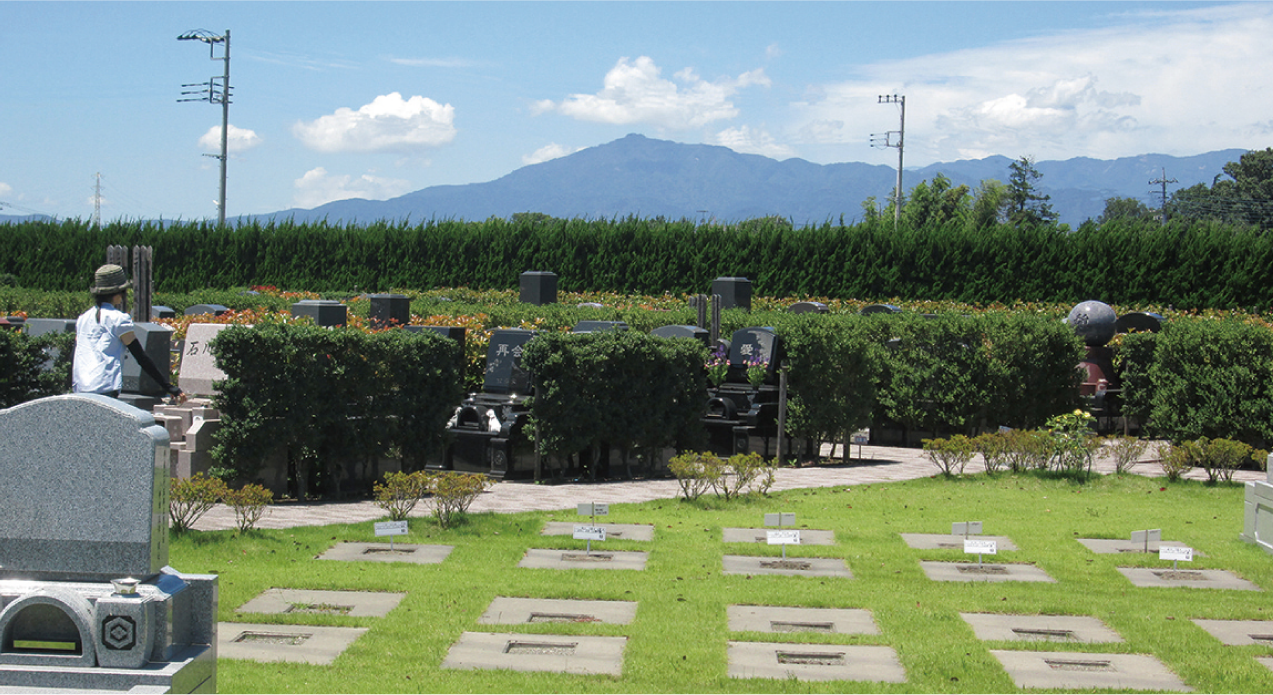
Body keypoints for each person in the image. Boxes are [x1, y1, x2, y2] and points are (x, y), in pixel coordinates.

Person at [73, 264, 185, 403]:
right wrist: (168, 387)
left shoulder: (83, 318)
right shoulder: (119, 319)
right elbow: (140, 356)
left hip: (81, 386)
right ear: (119, 292)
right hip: (105, 386)